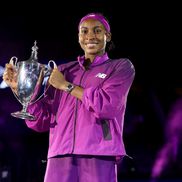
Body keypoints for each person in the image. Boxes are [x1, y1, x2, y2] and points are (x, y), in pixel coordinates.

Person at [3, 12, 135, 182]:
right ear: (78, 36)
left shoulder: (120, 66)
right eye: (84, 31)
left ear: (107, 36)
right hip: (59, 155)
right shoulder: (63, 70)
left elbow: (107, 107)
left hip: (98, 154)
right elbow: (41, 121)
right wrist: (20, 90)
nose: (90, 36)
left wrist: (67, 86)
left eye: (97, 30)